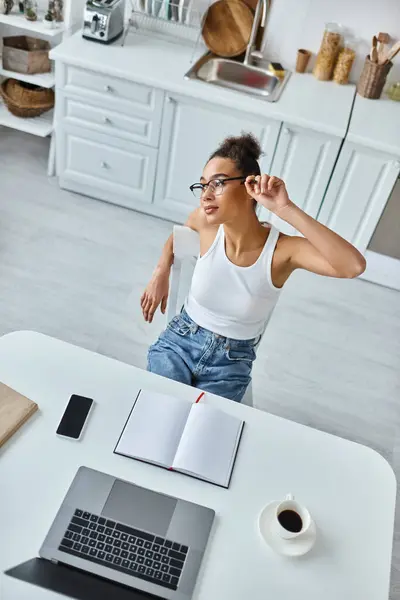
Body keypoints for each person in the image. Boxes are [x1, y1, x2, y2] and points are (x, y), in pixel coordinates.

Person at [141, 134, 366, 402]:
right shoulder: (206, 221)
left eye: (218, 183)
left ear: (249, 187)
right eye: (202, 186)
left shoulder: (282, 251)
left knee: (203, 436)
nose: (206, 195)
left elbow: (352, 266)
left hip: (230, 365)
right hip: (178, 344)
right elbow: (179, 235)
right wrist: (161, 270)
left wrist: (286, 209)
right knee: (159, 414)